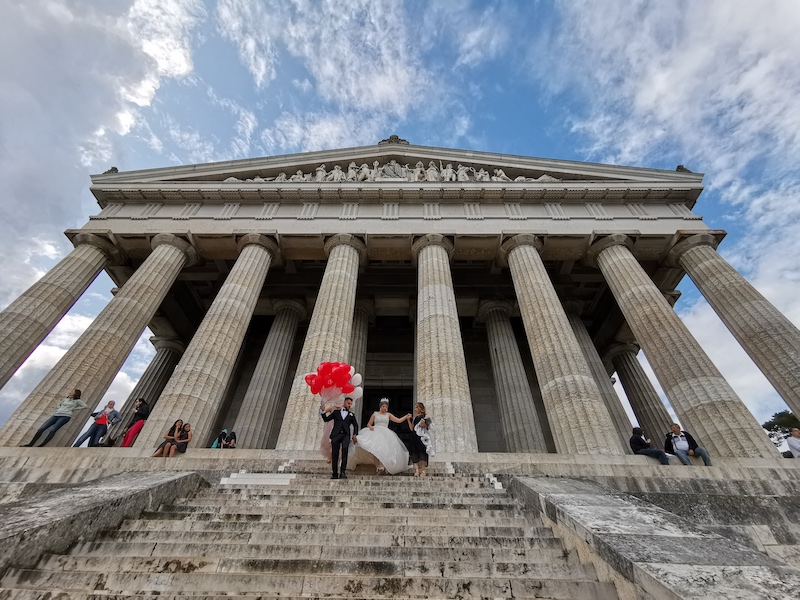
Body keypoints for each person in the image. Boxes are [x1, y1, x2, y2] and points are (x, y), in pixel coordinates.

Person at [349, 398, 410, 475]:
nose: (385, 408)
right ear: (380, 406)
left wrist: (406, 417)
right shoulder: (375, 414)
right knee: (375, 450)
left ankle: (384, 466)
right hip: (375, 432)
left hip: (385, 433)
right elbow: (369, 423)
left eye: (386, 407)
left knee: (384, 450)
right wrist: (370, 427)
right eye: (383, 406)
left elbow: (398, 420)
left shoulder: (389, 415)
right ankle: (379, 467)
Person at [23, 389, 87, 447]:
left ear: (75, 393)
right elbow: (58, 405)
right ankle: (30, 444)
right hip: (56, 415)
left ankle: (42, 445)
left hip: (65, 416)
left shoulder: (77, 401)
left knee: (53, 430)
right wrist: (59, 409)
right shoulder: (65, 399)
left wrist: (73, 409)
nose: (70, 391)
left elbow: (85, 406)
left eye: (72, 391)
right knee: (41, 429)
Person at [320, 397, 359, 479]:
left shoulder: (351, 415)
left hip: (345, 435)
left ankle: (343, 472)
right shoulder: (336, 413)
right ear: (344, 403)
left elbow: (355, 425)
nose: (349, 405)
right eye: (348, 403)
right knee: (335, 454)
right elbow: (326, 419)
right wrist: (323, 410)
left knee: (345, 451)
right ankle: (334, 473)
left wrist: (355, 434)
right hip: (336, 435)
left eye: (350, 404)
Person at [407, 402, 434, 477]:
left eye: (416, 407)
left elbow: (428, 427)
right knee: (413, 452)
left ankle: (423, 470)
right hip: (414, 436)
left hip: (422, 437)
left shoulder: (425, 417)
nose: (415, 409)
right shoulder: (415, 418)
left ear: (420, 408)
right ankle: (416, 470)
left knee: (422, 452)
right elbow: (412, 428)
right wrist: (408, 420)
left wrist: (424, 425)